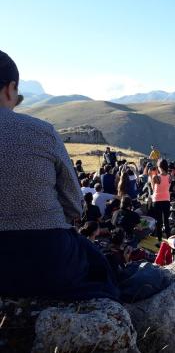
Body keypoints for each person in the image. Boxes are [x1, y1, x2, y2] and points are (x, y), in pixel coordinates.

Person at [0, 50, 118, 300]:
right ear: (10, 89)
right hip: (47, 258)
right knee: (97, 264)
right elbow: (75, 205)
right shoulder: (42, 132)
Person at [151, 159, 171, 240]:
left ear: (159, 167)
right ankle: (169, 238)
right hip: (166, 199)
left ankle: (159, 240)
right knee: (166, 221)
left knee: (159, 222)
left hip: (157, 200)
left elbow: (153, 189)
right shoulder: (170, 176)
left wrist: (152, 176)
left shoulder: (156, 177)